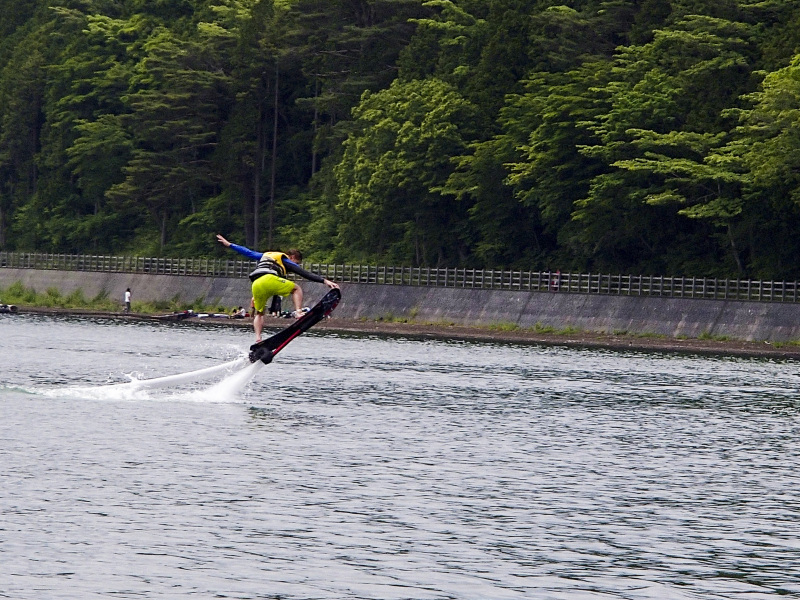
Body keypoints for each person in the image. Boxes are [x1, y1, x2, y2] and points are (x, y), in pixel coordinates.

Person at [216, 234, 339, 342]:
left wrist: (229, 244)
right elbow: (303, 273)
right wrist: (324, 281)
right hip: (269, 279)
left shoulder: (265, 255)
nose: (295, 266)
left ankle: (258, 338)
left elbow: (247, 252)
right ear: (292, 257)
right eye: (296, 262)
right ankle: (299, 313)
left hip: (256, 284)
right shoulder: (285, 259)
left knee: (260, 313)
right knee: (296, 289)